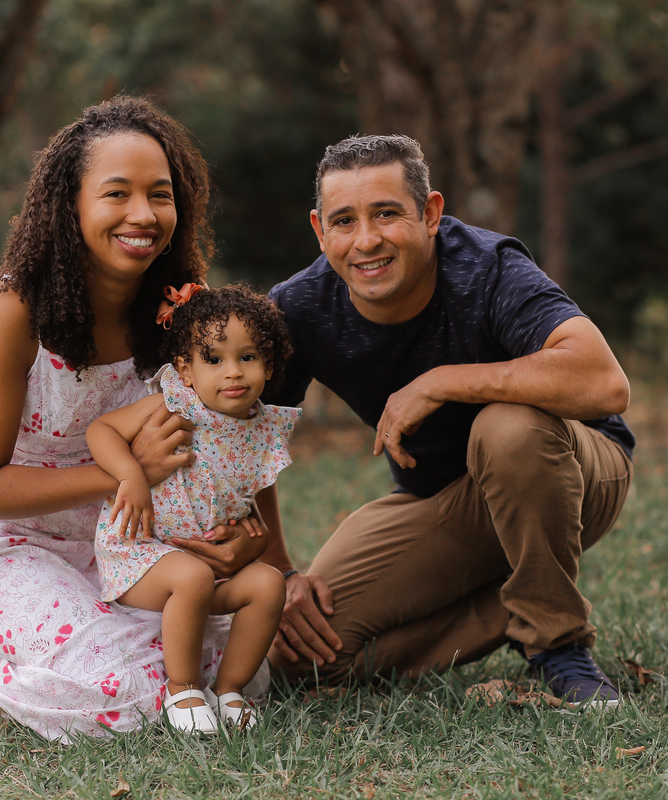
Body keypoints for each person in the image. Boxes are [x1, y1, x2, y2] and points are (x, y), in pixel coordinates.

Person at [0, 97, 270, 742]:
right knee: (143, 700)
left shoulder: (185, 306)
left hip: (120, 541)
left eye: (161, 195)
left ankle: (8, 664)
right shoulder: (16, 306)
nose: (143, 216)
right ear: (70, 206)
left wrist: (259, 546)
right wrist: (123, 473)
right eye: (116, 194)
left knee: (232, 669)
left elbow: (237, 424)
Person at [257, 134, 635, 706]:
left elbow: (605, 383)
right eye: (345, 221)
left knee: (507, 427)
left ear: (431, 213)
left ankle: (558, 645)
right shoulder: (299, 308)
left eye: (387, 214)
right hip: (444, 499)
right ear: (319, 230)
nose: (366, 241)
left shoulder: (486, 269)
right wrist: (280, 571)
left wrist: (443, 381)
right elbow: (243, 439)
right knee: (301, 656)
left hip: (572, 471)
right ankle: (513, 610)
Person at [88, 284, 298, 732]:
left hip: (210, 565)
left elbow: (250, 497)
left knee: (266, 584)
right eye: (215, 360)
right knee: (191, 575)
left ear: (269, 364)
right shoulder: (175, 405)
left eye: (248, 357)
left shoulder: (263, 428)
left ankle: (229, 691)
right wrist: (130, 476)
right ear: (185, 369)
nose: (233, 373)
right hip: (141, 557)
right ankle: (182, 691)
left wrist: (252, 537)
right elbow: (102, 430)